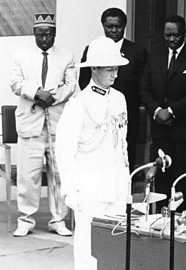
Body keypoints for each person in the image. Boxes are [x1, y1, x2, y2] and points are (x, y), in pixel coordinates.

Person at [55, 36, 130, 270]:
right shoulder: (78, 104)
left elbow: (122, 144)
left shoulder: (119, 99)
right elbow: (64, 149)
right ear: (94, 69)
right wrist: (70, 189)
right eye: (110, 69)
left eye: (116, 69)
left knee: (116, 249)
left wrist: (125, 183)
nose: (115, 75)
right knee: (88, 252)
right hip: (90, 189)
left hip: (116, 187)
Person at [10, 13, 76, 237]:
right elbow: (15, 83)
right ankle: (25, 220)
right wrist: (37, 93)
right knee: (28, 176)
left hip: (57, 123)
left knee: (59, 174)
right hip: (31, 122)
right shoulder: (21, 56)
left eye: (48, 34)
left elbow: (70, 85)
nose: (44, 38)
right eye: (40, 34)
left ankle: (58, 220)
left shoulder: (67, 55)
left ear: (54, 34)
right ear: (34, 34)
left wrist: (51, 97)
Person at [140, 15, 186, 213]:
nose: (171, 39)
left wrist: (171, 111)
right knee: (161, 179)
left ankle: (182, 222)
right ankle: (161, 220)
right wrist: (156, 111)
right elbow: (144, 88)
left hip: (185, 133)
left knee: (183, 180)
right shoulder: (155, 56)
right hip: (160, 132)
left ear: (184, 34)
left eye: (175, 36)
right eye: (167, 35)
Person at [78, 7, 147, 170]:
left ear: (125, 26)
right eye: (110, 26)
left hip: (127, 112)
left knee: (125, 155)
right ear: (103, 26)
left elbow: (143, 84)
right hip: (98, 113)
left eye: (118, 26)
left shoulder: (137, 51)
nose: (114, 30)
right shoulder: (92, 49)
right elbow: (84, 80)